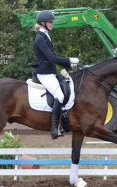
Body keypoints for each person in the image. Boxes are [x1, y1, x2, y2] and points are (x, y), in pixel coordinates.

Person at [33, 10, 79, 139]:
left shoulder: (45, 35)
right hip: (45, 73)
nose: (52, 24)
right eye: (50, 22)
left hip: (50, 72)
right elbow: (52, 58)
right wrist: (69, 61)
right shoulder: (40, 38)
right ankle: (54, 129)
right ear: (43, 23)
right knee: (59, 95)